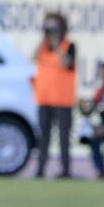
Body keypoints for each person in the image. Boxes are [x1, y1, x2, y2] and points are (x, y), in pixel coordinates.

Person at [33, 11, 77, 179]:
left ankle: (66, 171)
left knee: (64, 139)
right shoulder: (43, 47)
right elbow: (34, 57)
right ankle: (40, 170)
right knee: (43, 137)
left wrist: (57, 44)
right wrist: (44, 39)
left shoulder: (68, 46)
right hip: (44, 100)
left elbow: (67, 63)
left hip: (63, 101)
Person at [80, 61, 104, 180]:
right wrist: (84, 106)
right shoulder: (101, 91)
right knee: (92, 138)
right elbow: (91, 107)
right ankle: (101, 170)